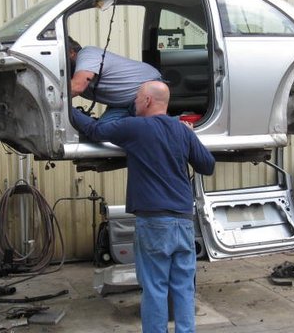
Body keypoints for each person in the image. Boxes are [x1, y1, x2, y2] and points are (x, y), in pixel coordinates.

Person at [72, 81, 215, 333]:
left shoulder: (135, 127)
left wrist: (65, 107)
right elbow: (208, 165)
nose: (133, 103)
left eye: (136, 98)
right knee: (184, 287)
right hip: (184, 221)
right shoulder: (182, 130)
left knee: (155, 287)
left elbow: (94, 130)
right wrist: (190, 136)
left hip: (154, 223)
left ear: (148, 101)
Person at [68, 37, 162, 122]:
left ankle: (169, 123)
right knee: (102, 130)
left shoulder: (86, 54)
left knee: (148, 128)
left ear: (72, 52)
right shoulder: (72, 75)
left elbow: (77, 87)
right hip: (121, 104)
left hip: (146, 89)